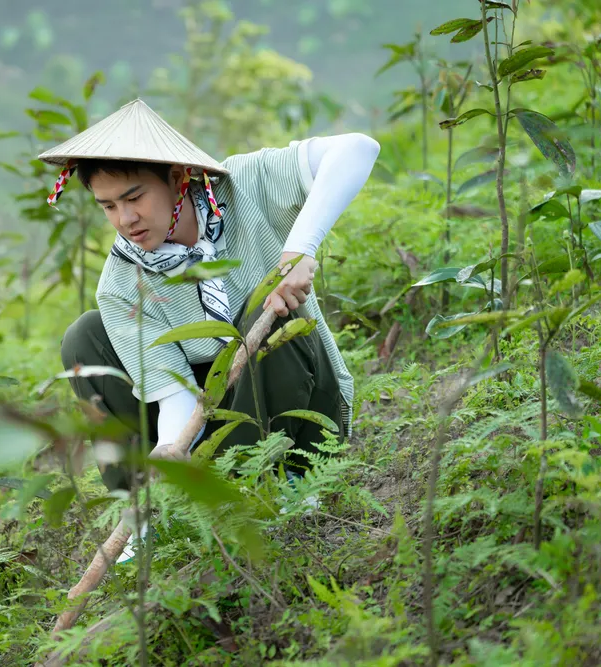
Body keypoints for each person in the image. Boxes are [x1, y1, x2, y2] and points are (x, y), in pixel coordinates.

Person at [40, 98, 379, 560]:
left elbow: (358, 148)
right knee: (85, 337)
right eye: (109, 206)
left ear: (178, 177)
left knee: (271, 309)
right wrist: (169, 448)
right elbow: (175, 394)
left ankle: (283, 482)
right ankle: (150, 513)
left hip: (301, 410)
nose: (125, 220)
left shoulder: (245, 186)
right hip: (209, 420)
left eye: (135, 197)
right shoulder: (122, 283)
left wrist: (301, 247)